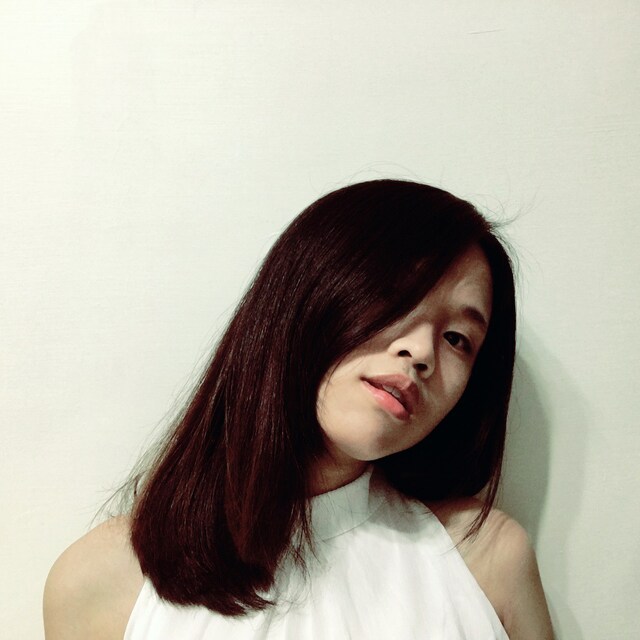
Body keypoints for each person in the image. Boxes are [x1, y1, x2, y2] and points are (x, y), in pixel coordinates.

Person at [44, 179, 554, 639]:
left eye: (458, 338)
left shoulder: (487, 563)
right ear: (307, 295)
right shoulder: (98, 583)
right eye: (399, 296)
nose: (421, 351)